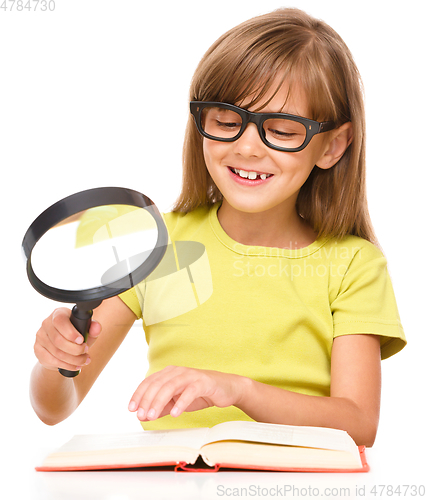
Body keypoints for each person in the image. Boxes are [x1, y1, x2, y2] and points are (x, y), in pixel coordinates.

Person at [30, 8, 406, 447]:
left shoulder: (353, 264)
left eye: (282, 130)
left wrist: (238, 391)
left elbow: (358, 424)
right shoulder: (157, 244)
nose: (247, 147)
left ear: (333, 145)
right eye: (227, 122)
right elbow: (55, 406)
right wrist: (54, 361)